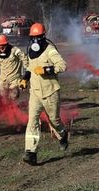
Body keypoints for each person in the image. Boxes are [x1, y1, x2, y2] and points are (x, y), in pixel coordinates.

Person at [23, 23, 69, 166]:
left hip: (50, 92)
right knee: (32, 121)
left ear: (43, 37)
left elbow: (63, 66)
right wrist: (25, 79)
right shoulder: (29, 51)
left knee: (54, 120)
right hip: (35, 92)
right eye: (33, 38)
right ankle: (31, 153)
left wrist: (46, 69)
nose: (35, 41)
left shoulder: (50, 50)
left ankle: (63, 135)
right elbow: (29, 69)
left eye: (38, 37)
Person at [0, 34, 29, 103]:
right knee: (3, 98)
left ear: (7, 44)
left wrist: (27, 71)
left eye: (3, 45)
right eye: (0, 45)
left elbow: (24, 58)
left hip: (14, 80)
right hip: (3, 80)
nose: (1, 47)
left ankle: (14, 111)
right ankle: (6, 112)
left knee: (13, 96)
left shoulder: (15, 50)